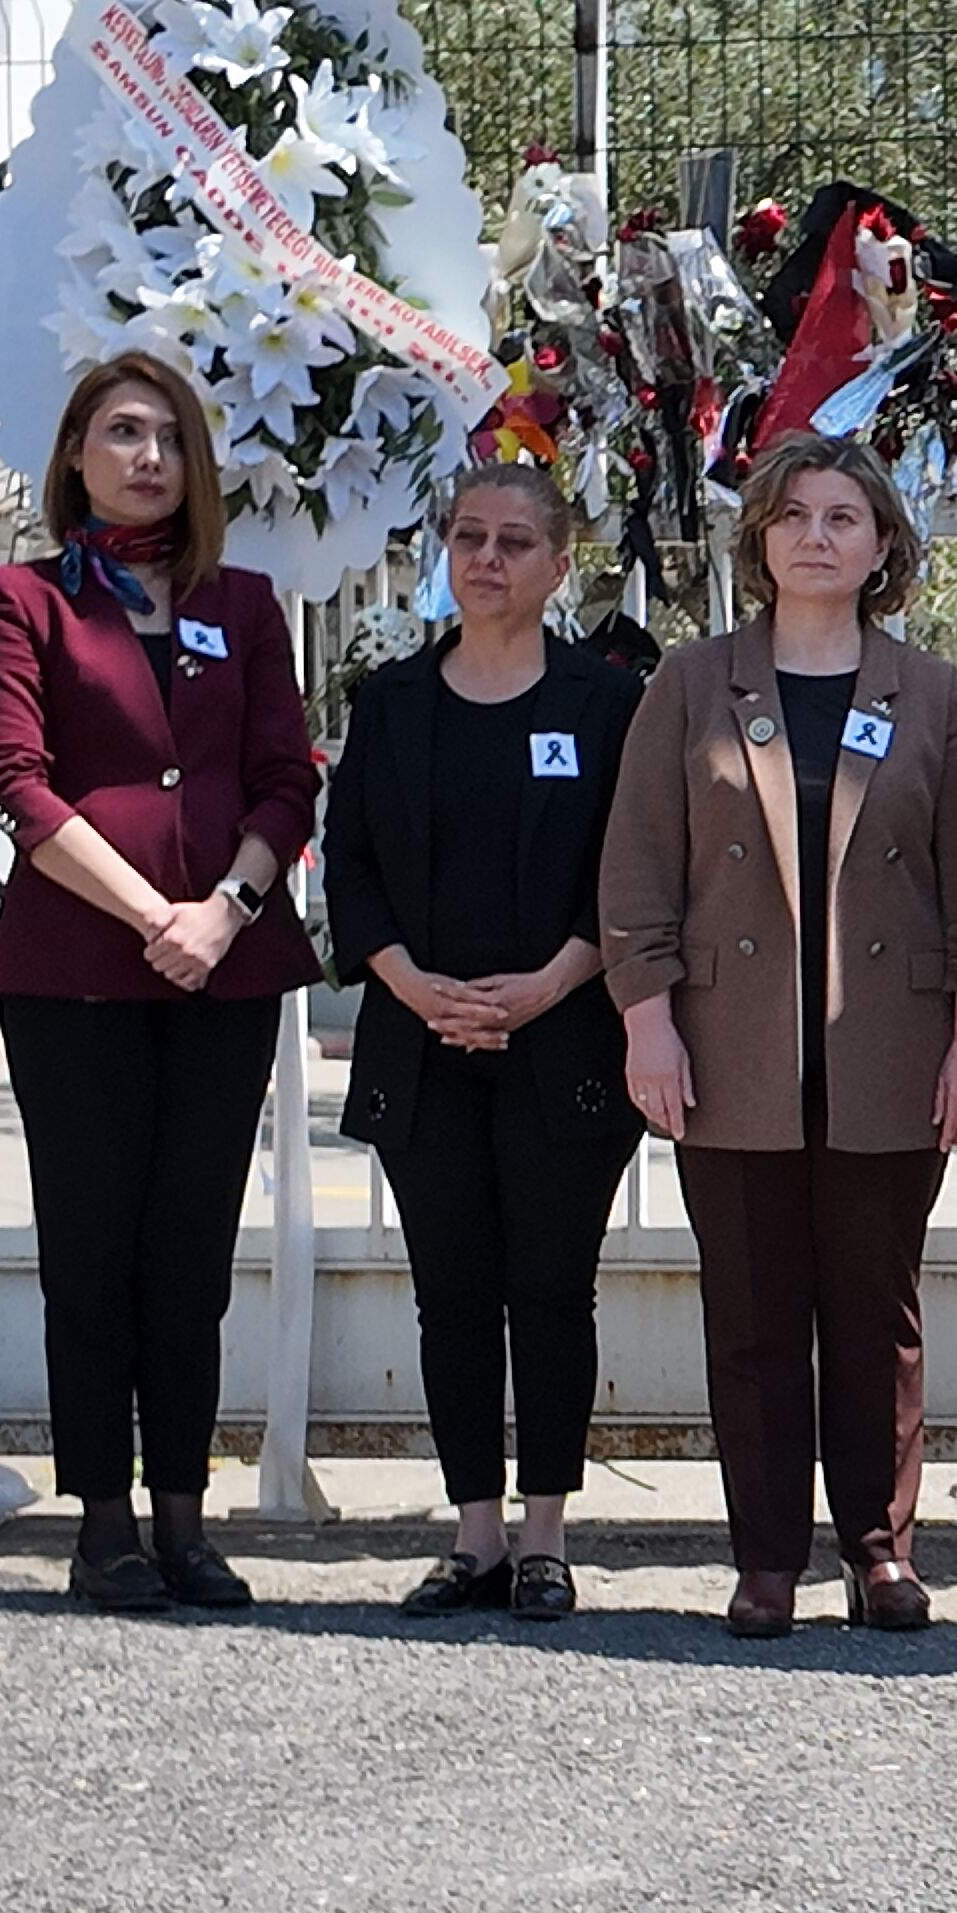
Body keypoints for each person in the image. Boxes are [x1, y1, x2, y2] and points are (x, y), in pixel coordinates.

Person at [600, 433, 957, 1638]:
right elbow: (638, 864)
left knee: (879, 1311)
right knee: (755, 1312)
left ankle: (879, 1549)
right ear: (760, 540)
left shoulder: (930, 692)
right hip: (730, 1048)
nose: (816, 537)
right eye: (793, 517)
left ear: (883, 545)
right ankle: (766, 1557)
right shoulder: (691, 681)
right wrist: (647, 1020)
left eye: (842, 517)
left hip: (890, 1046)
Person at [0, 352, 322, 1612]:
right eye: (121, 432)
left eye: (168, 435)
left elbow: (288, 778)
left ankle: (185, 1513)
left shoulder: (245, 601)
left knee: (190, 1253)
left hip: (221, 977)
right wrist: (149, 913)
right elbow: (15, 777)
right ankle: (102, 1519)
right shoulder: (24, 599)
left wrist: (224, 912)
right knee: (93, 1249)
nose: (148, 456)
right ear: (74, 455)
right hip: (75, 980)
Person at [324, 464, 646, 1622]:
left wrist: (555, 980)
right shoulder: (393, 701)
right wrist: (412, 986)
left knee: (550, 1290)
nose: (489, 558)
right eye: (469, 536)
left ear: (560, 566)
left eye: (516, 541)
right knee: (451, 1294)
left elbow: (636, 869)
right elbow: (349, 866)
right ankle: (474, 1536)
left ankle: (548, 1535)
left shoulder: (607, 705)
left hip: (563, 1044)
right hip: (424, 1044)